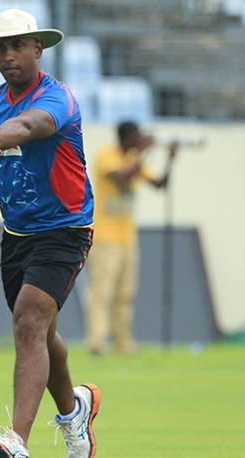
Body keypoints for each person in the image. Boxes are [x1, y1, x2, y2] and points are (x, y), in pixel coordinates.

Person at [0, 9, 100, 458]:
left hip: (65, 229)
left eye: (17, 46)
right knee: (41, 332)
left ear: (39, 48)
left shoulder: (58, 98)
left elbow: (30, 128)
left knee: (29, 321)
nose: (8, 56)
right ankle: (76, 411)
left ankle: (17, 440)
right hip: (16, 236)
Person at [86, 121, 178, 355]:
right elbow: (121, 178)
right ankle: (97, 341)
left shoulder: (135, 159)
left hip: (127, 236)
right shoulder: (108, 155)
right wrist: (144, 152)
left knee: (125, 293)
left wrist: (170, 160)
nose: (139, 141)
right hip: (105, 235)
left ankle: (123, 342)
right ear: (126, 138)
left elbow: (159, 185)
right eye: (136, 137)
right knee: (102, 291)